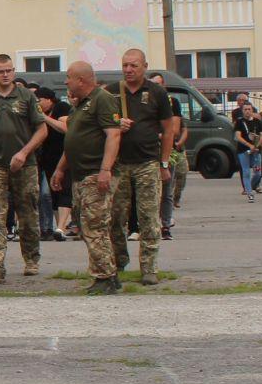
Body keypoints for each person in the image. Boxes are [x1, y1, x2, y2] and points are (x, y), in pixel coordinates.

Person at [0, 55, 48, 285]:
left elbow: (42, 130)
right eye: (0, 71)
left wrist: (24, 153)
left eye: (8, 70)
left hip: (25, 163)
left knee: (28, 213)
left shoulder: (26, 96)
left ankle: (31, 259)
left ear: (13, 71)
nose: (5, 74)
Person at [50, 61, 125, 294]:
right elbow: (73, 140)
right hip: (80, 175)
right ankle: (102, 274)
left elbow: (113, 135)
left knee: (96, 226)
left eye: (69, 78)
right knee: (86, 227)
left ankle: (107, 277)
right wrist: (60, 169)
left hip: (95, 174)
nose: (66, 82)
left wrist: (105, 170)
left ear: (81, 80)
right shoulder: (80, 106)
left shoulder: (102, 99)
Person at [106, 49, 178, 286]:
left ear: (144, 66)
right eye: (125, 65)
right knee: (114, 216)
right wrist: (116, 124)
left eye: (133, 66)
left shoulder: (156, 92)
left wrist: (164, 163)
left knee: (148, 217)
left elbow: (168, 130)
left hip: (147, 162)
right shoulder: (111, 92)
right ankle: (119, 259)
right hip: (119, 164)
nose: (128, 70)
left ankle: (149, 267)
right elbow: (97, 123)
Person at [37, 85, 71, 239]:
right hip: (47, 159)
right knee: (52, 192)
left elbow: (65, 128)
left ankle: (62, 226)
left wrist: (45, 118)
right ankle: (59, 229)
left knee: (65, 190)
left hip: (64, 156)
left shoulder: (61, 108)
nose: (38, 103)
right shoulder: (39, 113)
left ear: (49, 99)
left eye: (40, 100)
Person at [231, 94, 262, 201]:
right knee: (246, 172)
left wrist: (257, 145)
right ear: (243, 111)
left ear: (252, 110)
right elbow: (237, 136)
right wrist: (249, 145)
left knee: (258, 172)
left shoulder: (257, 121)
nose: (247, 111)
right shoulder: (239, 122)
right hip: (243, 150)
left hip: (256, 150)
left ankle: (253, 186)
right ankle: (249, 193)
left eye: (249, 109)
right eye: (245, 109)